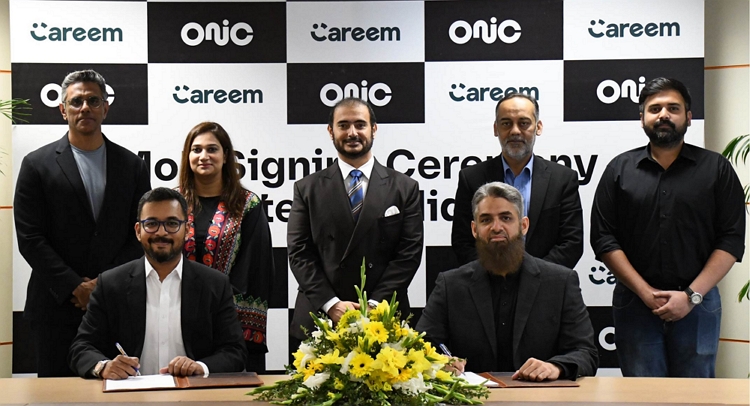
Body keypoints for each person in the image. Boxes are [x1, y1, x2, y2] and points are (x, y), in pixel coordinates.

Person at [590, 77, 745, 377]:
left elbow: (731, 239)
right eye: (655, 108)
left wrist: (691, 296)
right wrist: (645, 292)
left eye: (673, 108)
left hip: (699, 303)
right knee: (643, 395)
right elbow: (603, 238)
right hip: (635, 304)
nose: (663, 114)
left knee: (696, 395)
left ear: (688, 117)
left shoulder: (717, 169)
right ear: (642, 118)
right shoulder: (619, 170)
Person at [13, 69, 151, 377]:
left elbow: (142, 233)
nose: (85, 107)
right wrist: (74, 286)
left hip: (115, 306)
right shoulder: (36, 164)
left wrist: (102, 285)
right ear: (63, 110)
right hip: (55, 307)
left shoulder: (132, 165)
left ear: (106, 108)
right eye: (76, 102)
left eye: (93, 100)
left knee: (119, 390)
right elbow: (30, 238)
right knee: (56, 395)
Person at [418, 182, 597, 380]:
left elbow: (585, 353)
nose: (496, 227)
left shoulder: (561, 282)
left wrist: (555, 367)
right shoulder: (450, 285)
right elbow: (420, 347)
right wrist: (440, 362)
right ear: (474, 229)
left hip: (540, 394)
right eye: (486, 220)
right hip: (472, 395)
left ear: (523, 225)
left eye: (506, 218)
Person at [287, 97, 423, 349]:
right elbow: (299, 253)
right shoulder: (307, 189)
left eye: (360, 125)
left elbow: (409, 253)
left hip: (385, 318)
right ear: (331, 131)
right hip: (321, 317)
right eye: (343, 125)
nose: (352, 133)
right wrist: (332, 304)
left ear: (374, 129)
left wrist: (374, 305)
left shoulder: (405, 187)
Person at [68, 188, 247, 379]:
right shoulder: (111, 284)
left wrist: (200, 367)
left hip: (193, 392)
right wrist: (104, 367)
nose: (162, 232)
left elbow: (235, 351)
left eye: (172, 223)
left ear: (187, 230)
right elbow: (81, 347)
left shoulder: (215, 284)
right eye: (151, 224)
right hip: (129, 394)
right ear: (138, 231)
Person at [178, 122, 273, 372]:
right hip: (177, 322)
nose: (204, 156)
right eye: (196, 149)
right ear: (187, 156)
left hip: (233, 326)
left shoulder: (247, 204)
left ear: (226, 155)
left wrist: (216, 306)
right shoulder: (173, 203)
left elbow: (256, 269)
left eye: (212, 149)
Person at [452, 93, 583, 268]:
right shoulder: (471, 179)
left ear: (538, 127)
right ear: (496, 129)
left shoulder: (563, 179)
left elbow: (572, 243)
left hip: (545, 281)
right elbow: (462, 242)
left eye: (524, 123)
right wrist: (494, 276)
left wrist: (535, 277)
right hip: (487, 281)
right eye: (506, 123)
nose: (515, 131)